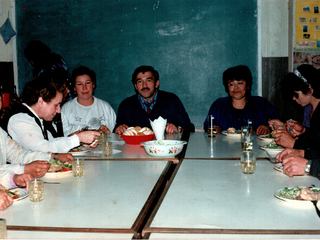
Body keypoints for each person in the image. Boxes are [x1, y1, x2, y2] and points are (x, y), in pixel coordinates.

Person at [7, 71, 100, 153]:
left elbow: (52, 143)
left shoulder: (39, 118)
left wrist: (79, 141)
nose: (58, 110)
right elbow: (42, 150)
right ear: (41, 102)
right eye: (56, 105)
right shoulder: (20, 119)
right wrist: (78, 138)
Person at [114, 65, 195, 134]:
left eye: (148, 80)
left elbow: (189, 127)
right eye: (139, 82)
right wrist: (119, 129)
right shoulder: (126, 105)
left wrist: (178, 129)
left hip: (164, 149)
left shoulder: (171, 100)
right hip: (135, 150)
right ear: (135, 86)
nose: (144, 85)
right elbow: (118, 129)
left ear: (156, 83)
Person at [204, 65, 279, 135]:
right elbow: (207, 125)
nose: (236, 87)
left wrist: (268, 128)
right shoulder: (218, 105)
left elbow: (278, 124)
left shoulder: (262, 104)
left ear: (248, 86)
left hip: (254, 147)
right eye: (231, 84)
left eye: (240, 83)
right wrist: (215, 128)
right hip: (224, 147)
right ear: (227, 87)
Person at [269, 64, 320, 149]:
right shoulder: (310, 109)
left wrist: (293, 143)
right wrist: (303, 131)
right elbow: (315, 137)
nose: (293, 98)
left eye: (296, 94)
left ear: (309, 91)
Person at [61, 66, 116, 135]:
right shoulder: (66, 109)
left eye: (87, 83)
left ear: (93, 84)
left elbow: (113, 134)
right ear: (74, 87)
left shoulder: (106, 107)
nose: (84, 88)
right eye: (79, 84)